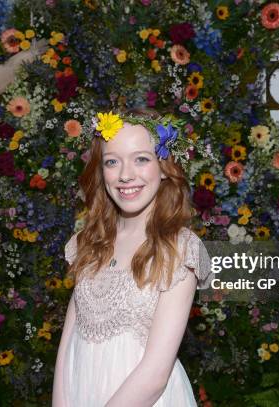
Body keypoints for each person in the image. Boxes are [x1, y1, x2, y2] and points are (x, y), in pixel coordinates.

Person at [52, 107, 213, 407]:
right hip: (81, 392)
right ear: (101, 171)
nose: (126, 175)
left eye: (141, 159)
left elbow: (154, 376)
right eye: (113, 162)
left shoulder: (181, 249)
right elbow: (66, 348)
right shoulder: (87, 243)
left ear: (164, 166)